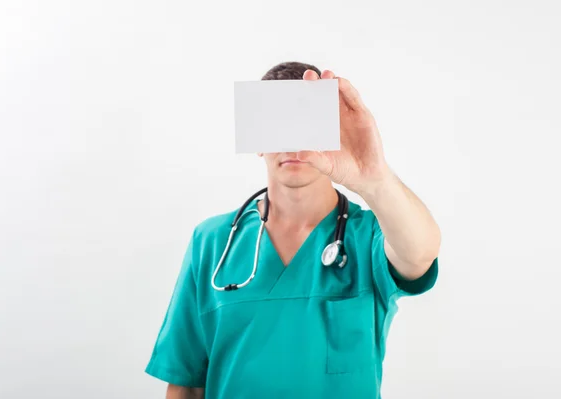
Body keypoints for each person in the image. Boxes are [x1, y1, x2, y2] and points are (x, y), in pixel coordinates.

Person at [145, 61, 441, 399]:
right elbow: (185, 383)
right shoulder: (213, 242)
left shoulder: (370, 236)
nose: (292, 142)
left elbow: (420, 253)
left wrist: (374, 176)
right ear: (256, 136)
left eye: (307, 124)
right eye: (276, 124)